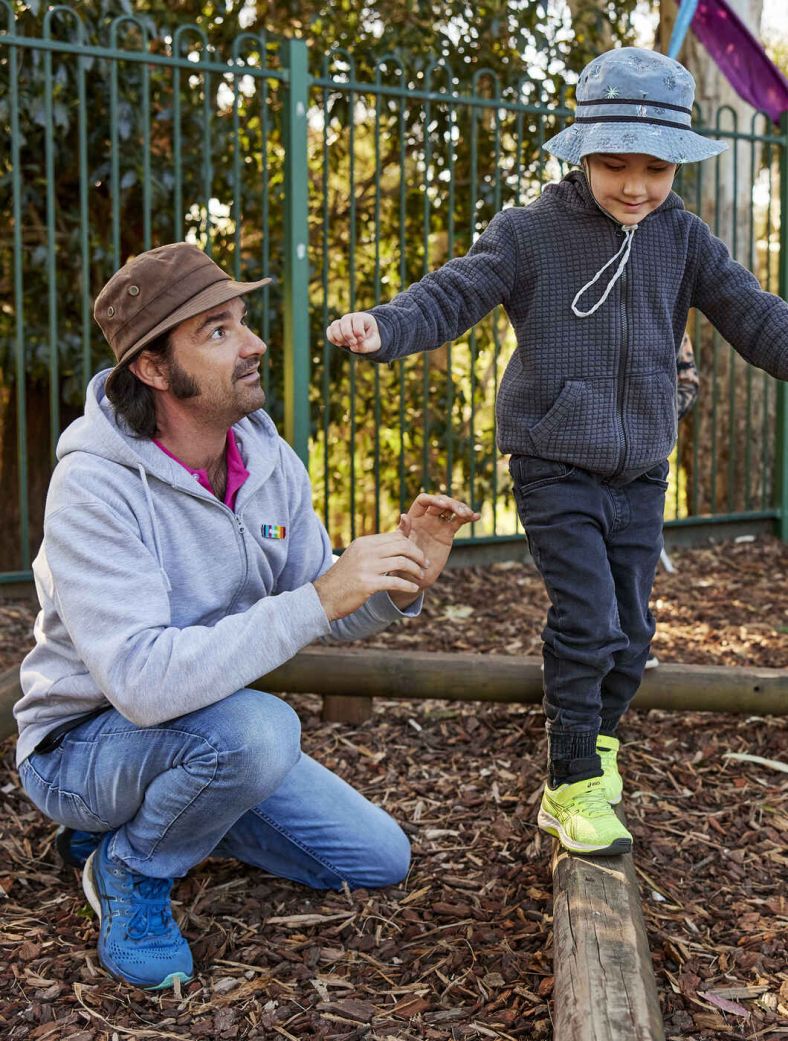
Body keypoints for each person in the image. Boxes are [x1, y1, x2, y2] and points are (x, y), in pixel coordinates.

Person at [326, 47, 788, 857]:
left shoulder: (682, 237)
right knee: (587, 618)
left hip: (642, 468)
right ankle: (569, 781)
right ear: (580, 150)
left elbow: (752, 315)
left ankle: (599, 741)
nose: (637, 185)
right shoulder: (530, 233)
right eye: (615, 165)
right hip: (553, 461)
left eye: (656, 168)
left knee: (634, 627)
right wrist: (386, 326)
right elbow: (453, 292)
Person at [14, 241, 479, 990]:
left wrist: (399, 573)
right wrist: (319, 597)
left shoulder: (265, 459)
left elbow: (317, 605)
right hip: (82, 748)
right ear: (153, 368)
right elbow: (139, 683)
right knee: (262, 730)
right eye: (218, 331)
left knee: (376, 859)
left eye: (242, 320)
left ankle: (164, 817)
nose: (254, 342)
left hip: (208, 734)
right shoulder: (94, 489)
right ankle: (129, 866)